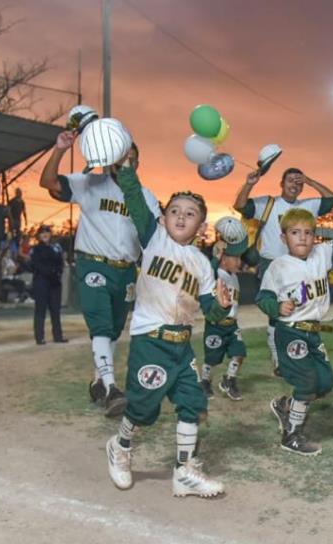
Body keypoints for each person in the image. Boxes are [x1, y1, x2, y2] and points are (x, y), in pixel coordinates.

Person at [103, 163, 230, 498]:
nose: (181, 216)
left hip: (182, 346)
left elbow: (210, 310)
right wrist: (126, 173)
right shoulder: (153, 236)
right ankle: (120, 445)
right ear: (162, 218)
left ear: (202, 227)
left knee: (192, 401)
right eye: (174, 211)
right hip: (151, 342)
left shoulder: (203, 264)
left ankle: (184, 472)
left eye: (190, 214)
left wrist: (223, 305)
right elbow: (133, 197)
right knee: (144, 410)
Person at [39, 128, 161, 417]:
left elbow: (153, 238)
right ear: (110, 161)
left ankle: (97, 381)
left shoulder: (146, 196)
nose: (125, 165)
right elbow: (48, 181)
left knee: (115, 330)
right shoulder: (92, 182)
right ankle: (110, 388)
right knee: (101, 326)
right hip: (93, 263)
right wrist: (59, 150)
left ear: (138, 163)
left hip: (126, 270)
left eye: (131, 160)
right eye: (120, 160)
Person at [258, 202, 333, 456]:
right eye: (295, 232)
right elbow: (262, 297)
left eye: (308, 232)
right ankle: (292, 435)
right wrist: (276, 307)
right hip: (290, 331)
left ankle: (286, 405)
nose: (303, 238)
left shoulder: (321, 254)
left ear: (314, 236)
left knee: (325, 382)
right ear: (283, 237)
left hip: (313, 331)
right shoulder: (278, 266)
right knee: (307, 382)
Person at [233, 167, 333, 374]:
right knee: (276, 311)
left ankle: (296, 351)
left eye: (298, 182)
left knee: (298, 311)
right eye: (290, 180)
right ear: (281, 183)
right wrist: (250, 183)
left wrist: (310, 179)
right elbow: (240, 205)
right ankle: (278, 358)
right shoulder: (269, 203)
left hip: (300, 265)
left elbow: (332, 199)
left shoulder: (308, 205)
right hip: (272, 263)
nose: (295, 185)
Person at [200, 229, 249, 401]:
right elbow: (209, 270)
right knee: (212, 358)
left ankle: (229, 380)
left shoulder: (233, 276)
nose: (238, 261)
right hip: (216, 325)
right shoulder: (215, 274)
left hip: (232, 325)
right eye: (234, 257)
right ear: (222, 259)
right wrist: (216, 257)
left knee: (239, 353)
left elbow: (252, 257)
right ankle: (205, 381)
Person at [30, 225, 67, 345]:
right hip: (41, 282)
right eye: (42, 233)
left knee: (55, 310)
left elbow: (60, 263)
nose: (45, 235)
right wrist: (49, 271)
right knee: (40, 310)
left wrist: (57, 272)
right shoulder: (36, 249)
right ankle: (39, 337)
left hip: (55, 283)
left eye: (47, 232)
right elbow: (36, 265)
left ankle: (58, 336)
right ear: (39, 236)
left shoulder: (56, 248)